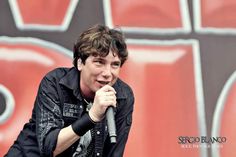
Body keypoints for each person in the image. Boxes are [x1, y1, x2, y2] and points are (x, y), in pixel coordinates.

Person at [5, 24, 134, 157]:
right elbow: (48, 147)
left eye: (115, 64)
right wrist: (92, 117)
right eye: (99, 62)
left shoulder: (122, 96)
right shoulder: (55, 83)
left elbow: (114, 152)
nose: (108, 73)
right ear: (80, 63)